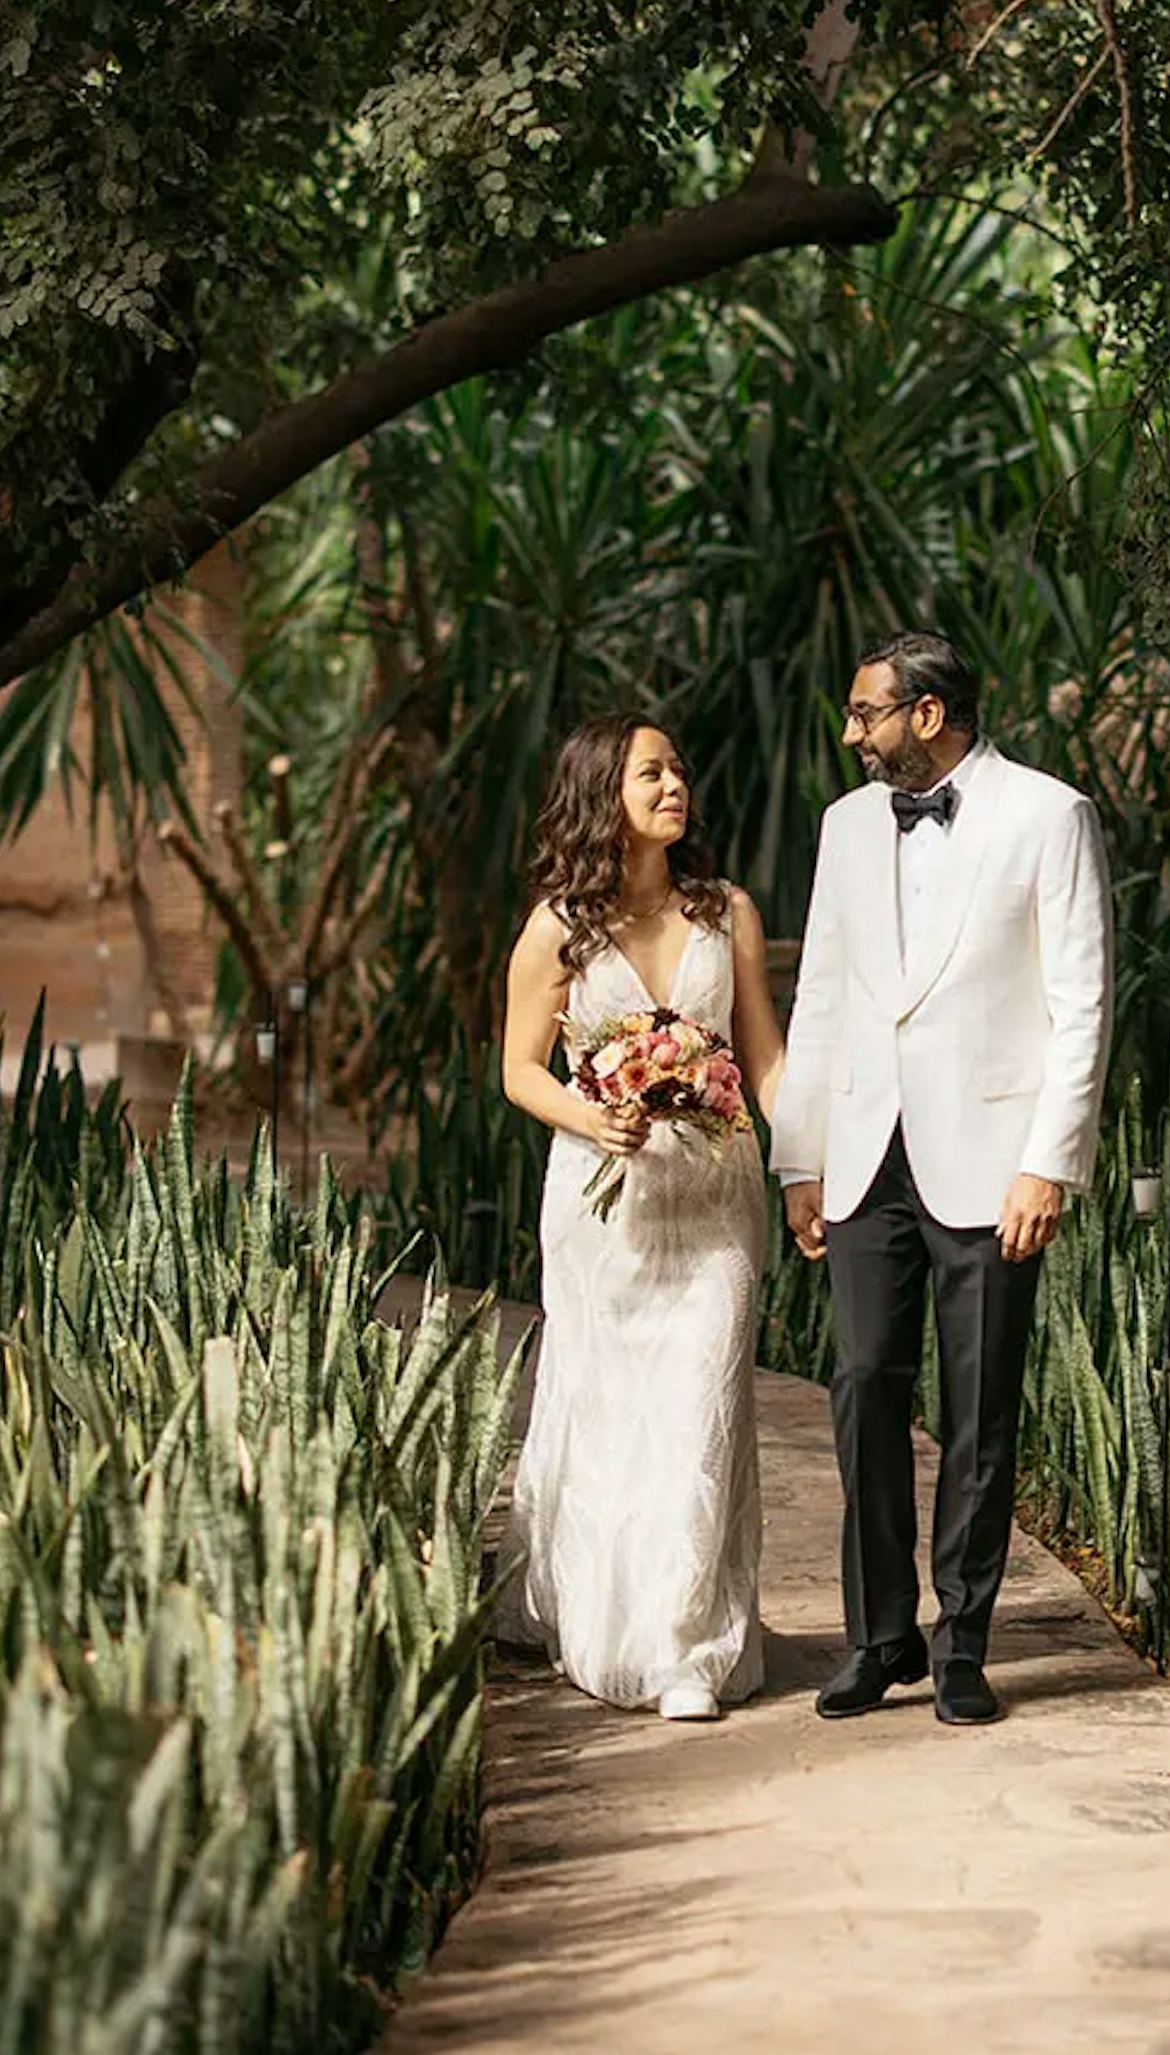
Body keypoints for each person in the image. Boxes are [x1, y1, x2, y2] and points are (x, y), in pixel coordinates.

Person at [771, 630, 1113, 1727]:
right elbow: (821, 991)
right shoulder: (844, 825)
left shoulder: (1048, 814)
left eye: (866, 712)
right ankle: (882, 1635)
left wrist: (1048, 1160)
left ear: (927, 714)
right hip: (868, 1155)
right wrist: (802, 1155)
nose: (851, 733)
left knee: (980, 1407)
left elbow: (1083, 1002)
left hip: (991, 1158)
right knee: (866, 1383)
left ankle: (965, 1639)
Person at [493, 714, 786, 1721]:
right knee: (617, 1409)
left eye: (678, 767)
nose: (675, 784)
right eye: (651, 770)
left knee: (702, 1399)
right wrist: (594, 1115)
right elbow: (518, 1068)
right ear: (600, 794)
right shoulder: (558, 929)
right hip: (602, 1206)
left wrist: (813, 1169)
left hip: (715, 1202)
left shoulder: (726, 912)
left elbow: (765, 1056)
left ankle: (685, 1647)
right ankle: (600, 1606)